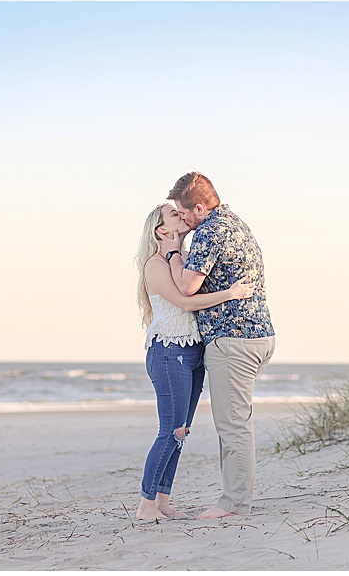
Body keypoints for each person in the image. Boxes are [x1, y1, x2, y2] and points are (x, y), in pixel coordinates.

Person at [159, 171, 275, 519]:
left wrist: (172, 253)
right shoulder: (237, 223)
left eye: (184, 212)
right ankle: (237, 498)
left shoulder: (210, 231)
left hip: (233, 339)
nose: (184, 220)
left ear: (198, 207)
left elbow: (187, 286)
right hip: (258, 334)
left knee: (233, 425)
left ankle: (234, 503)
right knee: (238, 421)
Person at [134, 203, 255, 520]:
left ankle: (162, 501)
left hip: (192, 352)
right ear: (162, 231)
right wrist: (231, 294)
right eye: (173, 215)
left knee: (181, 431)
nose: (182, 215)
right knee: (170, 431)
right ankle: (146, 506)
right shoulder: (155, 265)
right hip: (168, 350)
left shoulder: (182, 261)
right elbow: (185, 302)